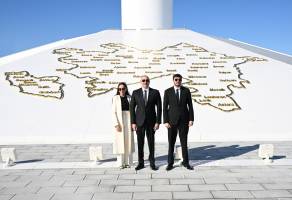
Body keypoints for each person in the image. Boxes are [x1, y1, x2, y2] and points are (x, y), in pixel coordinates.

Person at [130, 75, 162, 170]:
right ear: (140, 82)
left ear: (149, 81)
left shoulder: (155, 92)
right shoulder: (135, 93)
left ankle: (152, 163)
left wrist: (158, 122)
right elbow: (132, 108)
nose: (145, 82)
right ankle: (141, 163)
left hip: (151, 122)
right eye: (143, 80)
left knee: (151, 143)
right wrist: (133, 122)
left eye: (147, 80)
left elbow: (159, 108)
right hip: (139, 122)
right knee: (140, 144)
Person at [163, 74, 194, 170]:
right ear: (173, 80)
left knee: (184, 142)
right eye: (176, 79)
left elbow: (190, 106)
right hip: (171, 122)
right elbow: (165, 107)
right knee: (171, 143)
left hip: (184, 121)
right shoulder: (168, 91)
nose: (178, 81)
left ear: (181, 81)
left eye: (179, 80)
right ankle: (170, 163)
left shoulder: (186, 91)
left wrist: (191, 119)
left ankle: (186, 162)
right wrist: (165, 121)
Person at [112, 82, 135, 169]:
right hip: (120, 121)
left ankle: (128, 162)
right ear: (118, 90)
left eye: (123, 88)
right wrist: (116, 124)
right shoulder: (115, 98)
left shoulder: (130, 97)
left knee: (128, 141)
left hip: (129, 120)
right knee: (120, 142)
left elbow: (133, 111)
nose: (121, 90)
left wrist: (133, 123)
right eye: (120, 89)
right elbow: (113, 112)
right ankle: (121, 163)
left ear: (126, 89)